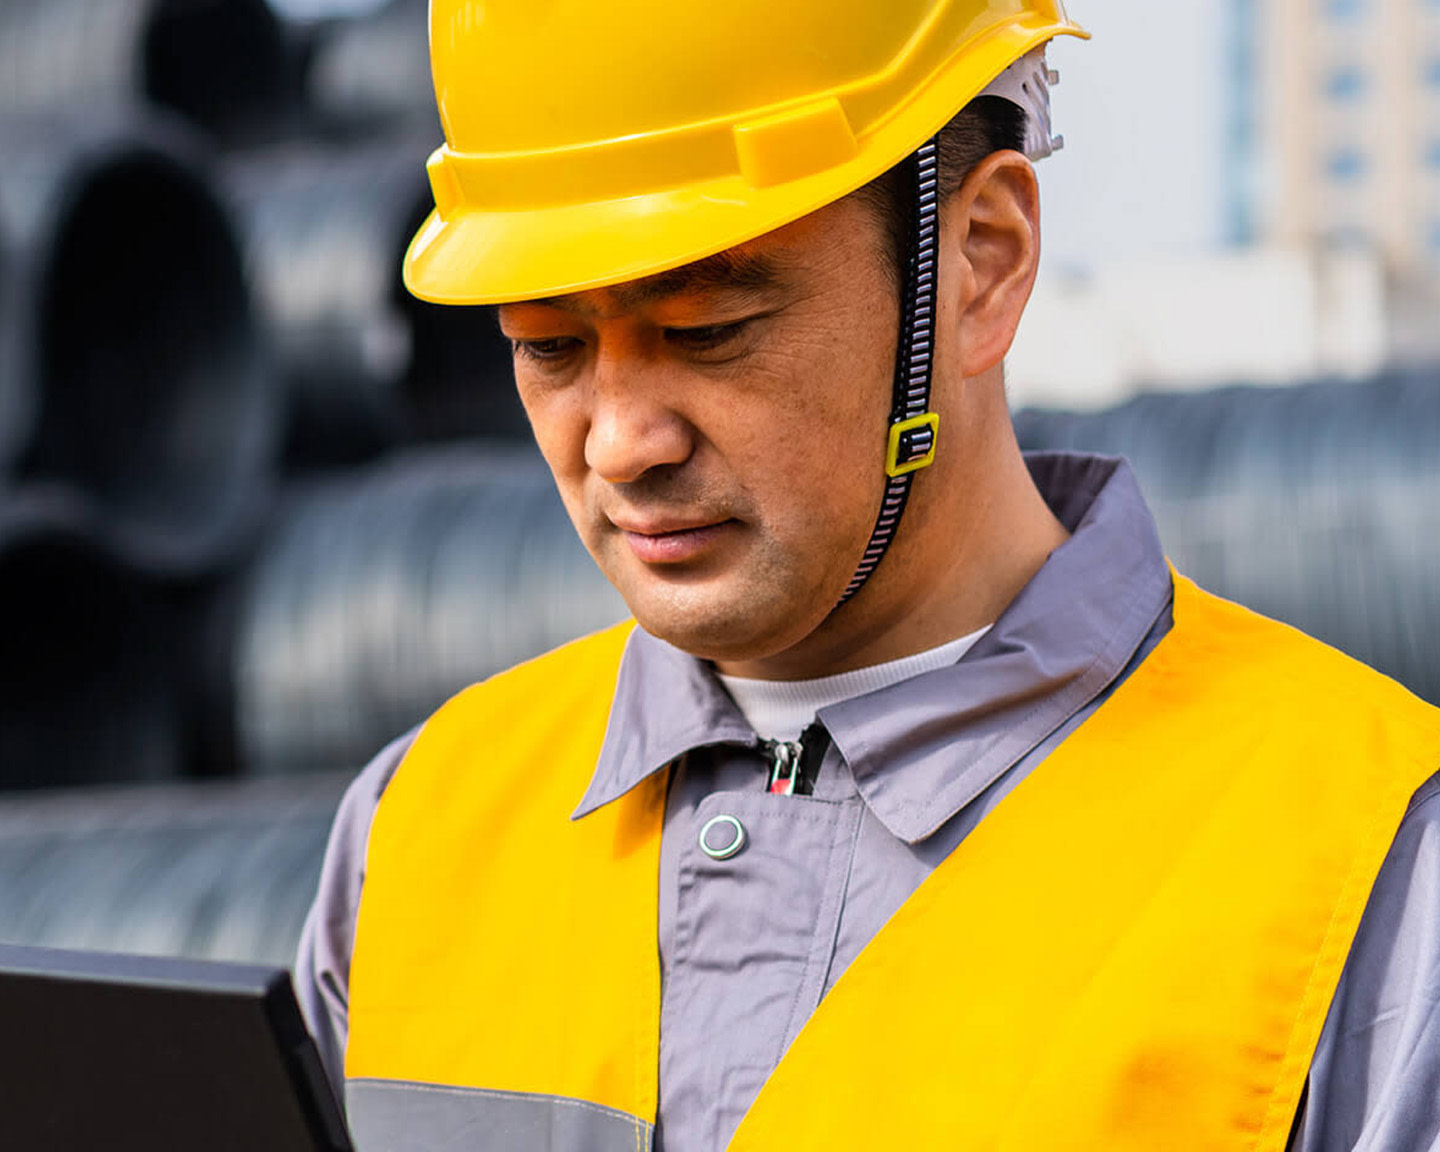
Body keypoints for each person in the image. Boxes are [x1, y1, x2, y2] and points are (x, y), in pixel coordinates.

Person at [296, 2, 1440, 1149]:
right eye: (549, 345)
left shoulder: (1367, 872)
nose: (617, 444)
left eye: (709, 328)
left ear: (981, 262)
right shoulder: (419, 831)